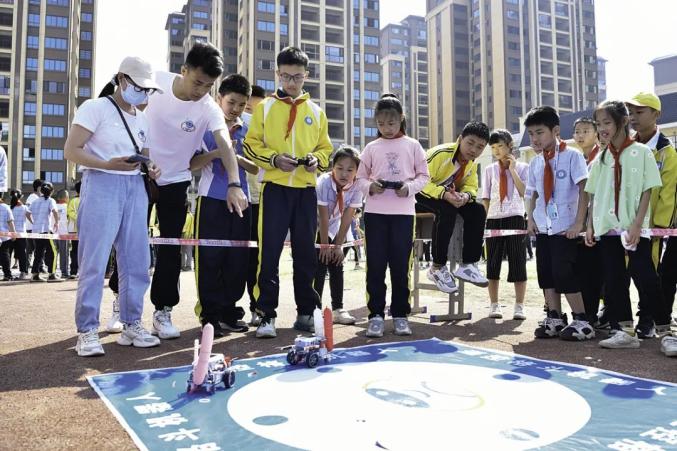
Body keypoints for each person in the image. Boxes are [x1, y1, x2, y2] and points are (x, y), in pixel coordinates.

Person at [144, 42, 248, 340]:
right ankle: (121, 306)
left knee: (170, 248)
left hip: (176, 179)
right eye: (197, 82)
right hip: (141, 174)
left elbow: (224, 143)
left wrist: (234, 183)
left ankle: (163, 310)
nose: (201, 90)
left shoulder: (208, 108)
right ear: (184, 70)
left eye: (208, 86)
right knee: (131, 245)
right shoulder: (155, 84)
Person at [64, 56, 163, 356]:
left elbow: (146, 157)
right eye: (138, 86)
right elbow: (71, 150)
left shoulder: (142, 119)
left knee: (136, 260)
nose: (143, 93)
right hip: (101, 182)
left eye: (147, 89)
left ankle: (132, 323)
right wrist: (107, 164)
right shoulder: (95, 108)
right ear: (121, 79)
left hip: (135, 187)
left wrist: (152, 169)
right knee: (94, 261)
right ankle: (87, 330)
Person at [243, 46, 333, 338]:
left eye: (297, 77)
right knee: (269, 253)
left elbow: (325, 149)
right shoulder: (264, 108)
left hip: (305, 190)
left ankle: (306, 312)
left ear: (307, 75)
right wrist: (273, 159)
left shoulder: (316, 112)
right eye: (286, 76)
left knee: (306, 255)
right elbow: (250, 145)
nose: (291, 82)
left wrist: (316, 160)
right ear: (277, 74)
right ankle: (266, 314)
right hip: (274, 189)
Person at [584, 100, 666, 349]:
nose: (602, 129)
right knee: (614, 280)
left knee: (646, 278)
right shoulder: (601, 158)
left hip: (633, 228)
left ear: (622, 122)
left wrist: (637, 225)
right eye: (598, 124)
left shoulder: (642, 152)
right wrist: (590, 225)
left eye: (607, 123)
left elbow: (647, 190)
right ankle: (625, 331)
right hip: (607, 229)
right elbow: (593, 194)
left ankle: (666, 331)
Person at [355, 94, 430, 337]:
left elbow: (424, 176)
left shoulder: (413, 145)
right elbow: (359, 178)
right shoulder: (371, 148)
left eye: (391, 123)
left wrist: (408, 188)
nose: (386, 128)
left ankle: (400, 315)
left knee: (400, 266)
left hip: (403, 214)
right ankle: (375, 315)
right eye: (381, 124)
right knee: (375, 266)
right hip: (375, 213)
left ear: (401, 119)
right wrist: (370, 187)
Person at [191, 74, 258, 336]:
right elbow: (191, 164)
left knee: (237, 260)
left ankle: (230, 312)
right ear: (219, 98)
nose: (236, 109)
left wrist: (235, 157)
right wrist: (219, 152)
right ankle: (209, 316)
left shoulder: (250, 127)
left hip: (242, 202)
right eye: (231, 102)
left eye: (242, 104)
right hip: (211, 200)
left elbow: (256, 167)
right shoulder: (204, 124)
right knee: (209, 259)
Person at [524, 106, 594, 341]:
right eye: (531, 134)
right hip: (543, 226)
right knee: (545, 272)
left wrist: (579, 223)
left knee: (563, 271)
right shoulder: (535, 163)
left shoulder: (572, 156)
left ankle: (582, 319)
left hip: (565, 228)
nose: (535, 139)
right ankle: (554, 316)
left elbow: (584, 189)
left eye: (540, 132)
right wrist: (530, 218)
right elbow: (532, 193)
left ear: (555, 131)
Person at [415, 121, 490, 294]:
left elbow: (471, 186)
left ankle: (468, 264)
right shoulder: (440, 154)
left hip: (446, 197)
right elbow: (420, 180)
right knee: (446, 210)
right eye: (470, 143)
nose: (473, 150)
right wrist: (444, 194)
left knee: (478, 210)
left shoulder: (471, 163)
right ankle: (437, 267)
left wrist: (465, 196)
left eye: (480, 147)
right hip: (418, 195)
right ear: (460, 139)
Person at [626, 92, 677, 336]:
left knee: (649, 272)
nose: (633, 117)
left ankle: (647, 319)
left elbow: (668, 191)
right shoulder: (627, 146)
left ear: (656, 114)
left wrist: (659, 226)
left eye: (640, 112)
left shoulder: (667, 151)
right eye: (631, 113)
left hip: (651, 227)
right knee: (629, 271)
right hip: (628, 222)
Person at [481, 129, 529, 320]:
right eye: (493, 147)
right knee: (492, 263)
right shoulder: (489, 170)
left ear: (510, 146)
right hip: (493, 219)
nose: (496, 151)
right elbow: (485, 197)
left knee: (518, 262)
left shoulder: (523, 167)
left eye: (500, 146)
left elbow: (524, 192)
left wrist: (512, 169)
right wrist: (487, 218)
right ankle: (494, 304)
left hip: (516, 217)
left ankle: (519, 306)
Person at [313, 146, 363, 325]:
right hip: (317, 225)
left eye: (350, 170)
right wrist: (325, 245)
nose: (344, 173)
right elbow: (322, 215)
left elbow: (348, 215)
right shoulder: (324, 182)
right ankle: (314, 309)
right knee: (319, 265)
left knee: (336, 262)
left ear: (357, 171)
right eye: (340, 168)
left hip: (337, 225)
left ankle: (338, 309)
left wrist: (338, 245)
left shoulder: (358, 185)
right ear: (332, 167)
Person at [243, 84, 266, 326]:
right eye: (247, 109)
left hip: (260, 200)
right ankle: (226, 309)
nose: (249, 114)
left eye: (255, 110)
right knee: (232, 256)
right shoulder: (233, 128)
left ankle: (257, 306)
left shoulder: (268, 128)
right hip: (237, 198)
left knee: (257, 259)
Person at [28, 182, 60, 283]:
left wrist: (33, 222)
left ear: (41, 190)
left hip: (36, 231)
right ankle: (52, 274)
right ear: (52, 191)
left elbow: (27, 213)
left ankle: (35, 275)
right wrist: (57, 223)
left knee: (38, 253)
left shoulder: (36, 201)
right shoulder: (51, 200)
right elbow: (55, 211)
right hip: (46, 230)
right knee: (53, 252)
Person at [9, 190, 30, 280]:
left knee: (7, 253)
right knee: (22, 254)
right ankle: (23, 273)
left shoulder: (10, 208)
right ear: (21, 197)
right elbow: (30, 218)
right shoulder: (24, 208)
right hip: (21, 234)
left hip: (10, 233)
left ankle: (7, 273)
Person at [25, 179, 43, 270]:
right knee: (34, 248)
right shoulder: (32, 197)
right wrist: (33, 222)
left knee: (35, 248)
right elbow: (27, 212)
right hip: (32, 227)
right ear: (39, 187)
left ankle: (37, 266)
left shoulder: (39, 197)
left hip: (35, 227)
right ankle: (36, 267)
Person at [66, 181, 81, 279]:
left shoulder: (72, 201)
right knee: (83, 252)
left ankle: (73, 271)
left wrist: (77, 218)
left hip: (73, 230)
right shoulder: (87, 200)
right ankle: (80, 271)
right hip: (84, 230)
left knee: (75, 251)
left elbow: (69, 213)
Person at [0, 190, 16, 281]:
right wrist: (13, 234)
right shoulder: (6, 207)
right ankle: (7, 275)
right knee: (5, 255)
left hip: (4, 236)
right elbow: (10, 222)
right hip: (4, 236)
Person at [55, 189, 70, 279]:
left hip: (53, 233)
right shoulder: (67, 207)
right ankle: (64, 272)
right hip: (64, 233)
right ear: (66, 198)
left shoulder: (53, 206)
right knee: (64, 254)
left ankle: (52, 272)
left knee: (53, 254)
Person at [180, 202, 194, 271]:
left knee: (188, 251)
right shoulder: (182, 214)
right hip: (182, 235)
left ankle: (188, 266)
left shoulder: (191, 215)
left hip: (188, 235)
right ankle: (182, 265)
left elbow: (192, 226)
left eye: (187, 206)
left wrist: (191, 234)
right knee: (182, 251)